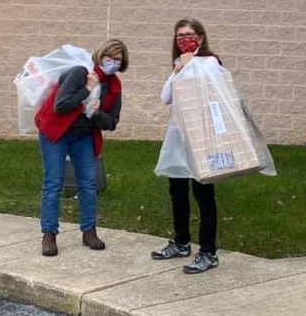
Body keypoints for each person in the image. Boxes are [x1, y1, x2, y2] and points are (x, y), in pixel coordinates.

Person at [35, 38, 129, 256]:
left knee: (88, 182)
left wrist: (97, 113)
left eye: (118, 59)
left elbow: (112, 123)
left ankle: (89, 231)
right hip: (56, 132)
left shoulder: (114, 87)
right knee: (54, 182)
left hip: (83, 135)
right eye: (109, 57)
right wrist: (87, 89)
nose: (112, 62)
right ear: (100, 56)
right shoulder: (81, 72)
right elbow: (61, 106)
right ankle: (49, 234)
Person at [151, 18, 222, 274]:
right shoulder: (178, 64)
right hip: (178, 136)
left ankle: (208, 251)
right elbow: (165, 97)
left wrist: (191, 66)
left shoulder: (210, 62)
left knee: (203, 194)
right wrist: (178, 69)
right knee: (177, 189)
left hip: (202, 137)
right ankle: (181, 241)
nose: (184, 39)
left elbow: (211, 90)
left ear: (201, 37)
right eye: (180, 35)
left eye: (190, 35)